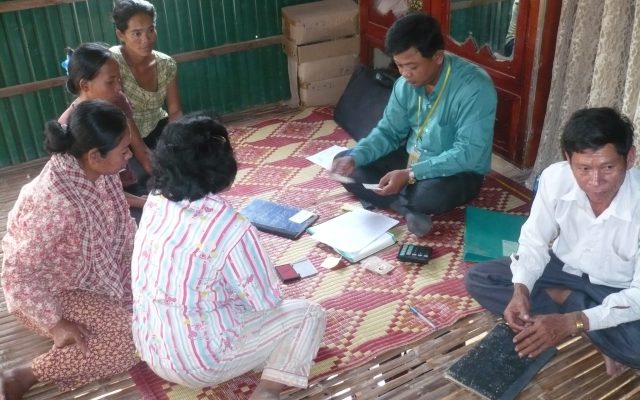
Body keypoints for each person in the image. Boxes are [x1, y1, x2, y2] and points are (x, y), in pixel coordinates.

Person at [131, 114, 326, 399]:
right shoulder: (230, 226)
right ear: (220, 166)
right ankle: (269, 389)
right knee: (310, 313)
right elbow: (266, 302)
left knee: (218, 291)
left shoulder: (156, 200)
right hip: (201, 363)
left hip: (152, 348)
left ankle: (258, 355)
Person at [465, 107, 640, 377]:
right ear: (568, 159)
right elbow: (535, 240)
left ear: (629, 158)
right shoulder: (555, 178)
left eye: (608, 167)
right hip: (562, 268)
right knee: (480, 278)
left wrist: (573, 322)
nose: (595, 181)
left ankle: (570, 308)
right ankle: (586, 320)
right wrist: (521, 290)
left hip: (617, 287)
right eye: (583, 168)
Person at [0, 100, 140, 399]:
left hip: (92, 280)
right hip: (48, 293)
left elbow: (119, 229)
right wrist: (55, 324)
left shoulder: (96, 172)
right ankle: (24, 375)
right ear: (94, 155)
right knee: (131, 344)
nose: (129, 155)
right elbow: (17, 274)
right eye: (124, 150)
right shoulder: (53, 202)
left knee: (148, 322)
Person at [331, 13, 497, 237]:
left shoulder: (474, 88)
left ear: (438, 57)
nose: (405, 74)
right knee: (347, 162)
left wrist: (410, 174)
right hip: (412, 158)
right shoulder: (404, 84)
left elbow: (469, 153)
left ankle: (403, 201)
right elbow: (388, 132)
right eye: (399, 65)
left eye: (412, 66)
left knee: (428, 196)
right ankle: (406, 209)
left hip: (456, 171)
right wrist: (356, 157)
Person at [59, 42, 149, 217]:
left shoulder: (118, 100)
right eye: (110, 82)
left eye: (119, 79)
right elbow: (95, 193)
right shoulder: (68, 126)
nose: (118, 87)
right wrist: (142, 202)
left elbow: (140, 147)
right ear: (85, 85)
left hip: (124, 181)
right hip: (95, 203)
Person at [110, 0, 182, 149]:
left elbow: (174, 111)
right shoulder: (112, 62)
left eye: (151, 30)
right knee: (143, 172)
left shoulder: (166, 64)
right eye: (137, 33)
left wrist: (176, 140)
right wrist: (144, 156)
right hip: (122, 136)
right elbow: (122, 116)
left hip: (157, 127)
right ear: (120, 34)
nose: (146, 39)